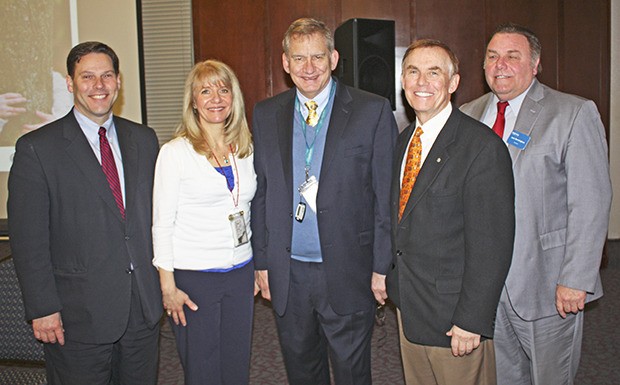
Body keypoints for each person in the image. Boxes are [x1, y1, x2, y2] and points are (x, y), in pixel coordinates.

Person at [460, 23, 613, 385]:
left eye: (513, 56)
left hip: (546, 283)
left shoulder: (572, 113)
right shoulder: (467, 114)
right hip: (487, 285)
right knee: (505, 377)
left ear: (536, 64)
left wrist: (576, 278)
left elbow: (591, 202)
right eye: (493, 57)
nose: (501, 65)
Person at [251, 17, 397, 385]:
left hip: (350, 269)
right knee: (302, 371)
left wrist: (383, 266)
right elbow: (261, 191)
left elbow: (385, 197)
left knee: (351, 373)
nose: (309, 68)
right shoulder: (266, 114)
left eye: (317, 56)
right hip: (289, 273)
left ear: (333, 58)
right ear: (285, 63)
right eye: (299, 58)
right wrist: (263, 261)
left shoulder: (372, 110)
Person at [7, 41, 162, 385]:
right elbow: (28, 240)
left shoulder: (144, 140)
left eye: (107, 75)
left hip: (141, 309)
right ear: (69, 83)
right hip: (77, 317)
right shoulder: (37, 148)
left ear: (118, 81)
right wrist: (43, 308)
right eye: (88, 76)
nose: (99, 85)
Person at [385, 39, 515, 385]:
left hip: (455, 321)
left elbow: (492, 245)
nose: (421, 82)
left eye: (433, 72)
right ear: (402, 80)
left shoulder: (481, 148)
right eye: (413, 72)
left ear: (453, 83)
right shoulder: (403, 142)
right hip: (411, 311)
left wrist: (472, 319)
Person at [152, 60, 257, 385]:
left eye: (224, 89)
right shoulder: (175, 153)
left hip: (240, 273)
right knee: (203, 371)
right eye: (206, 90)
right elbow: (162, 224)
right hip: (194, 279)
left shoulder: (245, 149)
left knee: (237, 364)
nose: (216, 98)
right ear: (193, 101)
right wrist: (167, 287)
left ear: (234, 98)